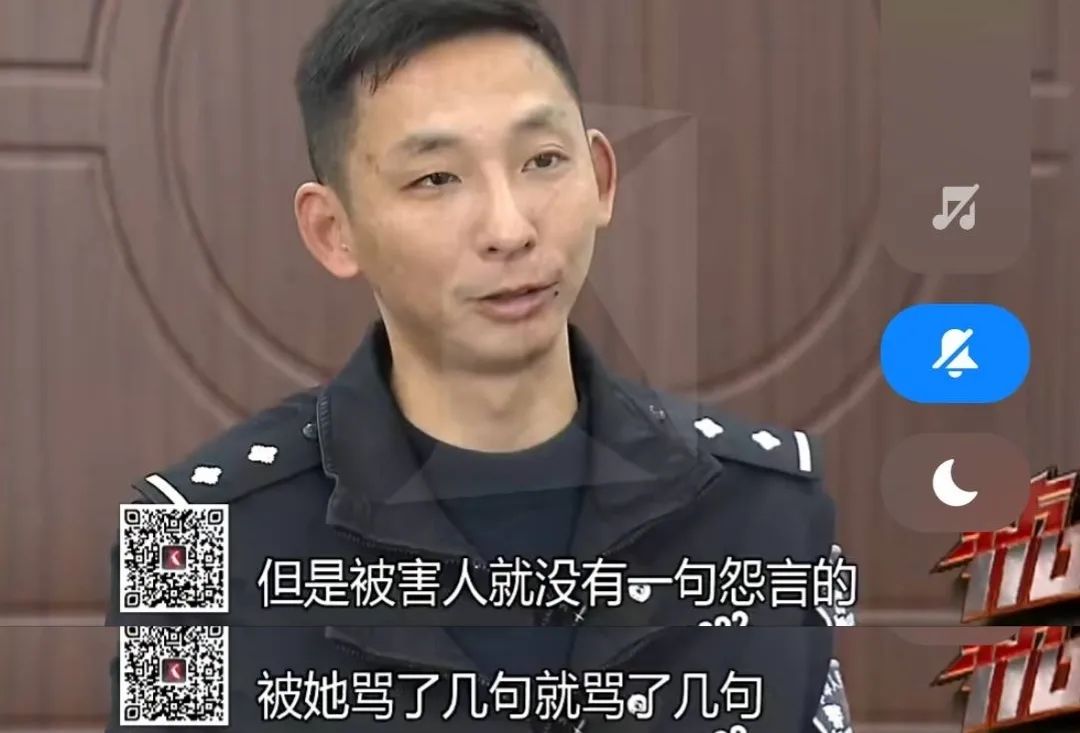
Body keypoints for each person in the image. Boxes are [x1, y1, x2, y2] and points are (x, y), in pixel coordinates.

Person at [106, 1, 855, 730]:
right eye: (436, 178)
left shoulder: (767, 510)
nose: (510, 227)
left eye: (543, 161)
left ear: (602, 178)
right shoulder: (187, 541)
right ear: (334, 230)